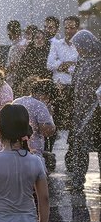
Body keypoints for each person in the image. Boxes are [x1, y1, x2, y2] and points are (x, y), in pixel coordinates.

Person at [68, 30, 101, 193]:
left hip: (97, 111)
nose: (78, 49)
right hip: (81, 110)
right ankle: (77, 181)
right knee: (79, 146)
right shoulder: (82, 60)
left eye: (79, 46)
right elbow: (76, 81)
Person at [46, 15, 80, 158]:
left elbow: (80, 67)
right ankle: (49, 153)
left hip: (74, 87)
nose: (69, 31)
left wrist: (64, 66)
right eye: (66, 27)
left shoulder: (80, 45)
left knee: (73, 121)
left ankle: (71, 153)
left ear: (77, 28)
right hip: (58, 87)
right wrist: (65, 65)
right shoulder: (57, 44)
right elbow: (49, 64)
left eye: (72, 27)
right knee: (55, 120)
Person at [13, 79, 57, 167]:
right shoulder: (40, 106)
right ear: (47, 96)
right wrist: (50, 116)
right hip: (33, 153)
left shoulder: (16, 101)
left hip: (14, 151)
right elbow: (47, 131)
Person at [13, 29, 52, 97]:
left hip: (42, 85)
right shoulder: (28, 52)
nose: (39, 40)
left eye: (42, 38)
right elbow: (21, 70)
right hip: (27, 84)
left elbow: (48, 70)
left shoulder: (48, 53)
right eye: (37, 38)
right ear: (33, 39)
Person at [5, 20, 27, 87]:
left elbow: (13, 65)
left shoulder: (20, 45)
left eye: (9, 33)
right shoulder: (17, 44)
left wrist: (8, 69)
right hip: (16, 78)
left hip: (16, 79)